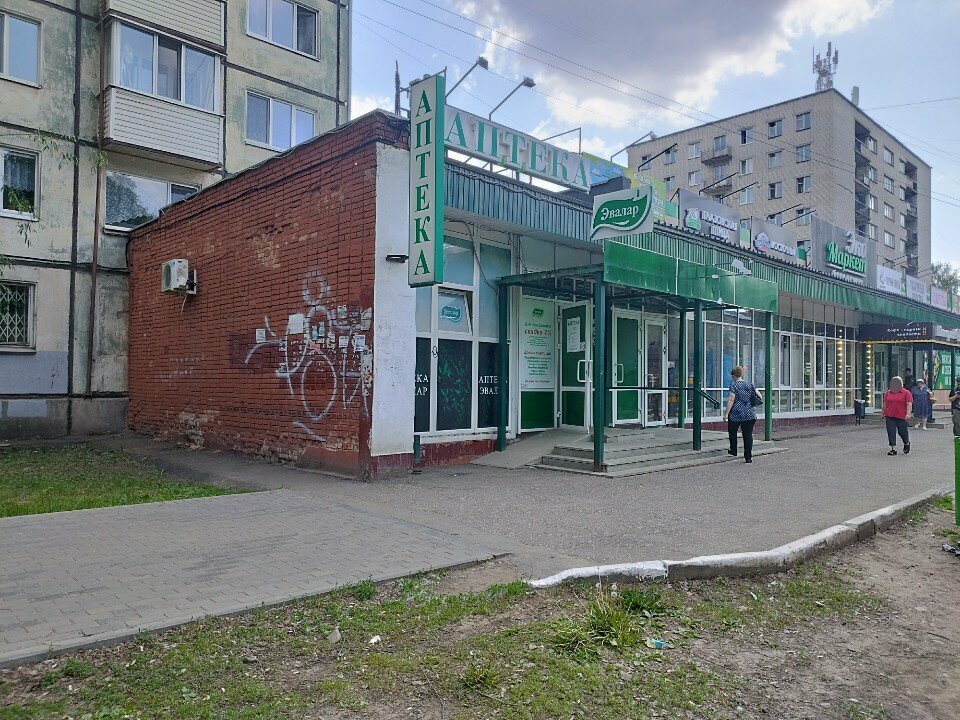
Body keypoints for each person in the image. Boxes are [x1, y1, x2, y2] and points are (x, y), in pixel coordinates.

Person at [723, 365, 761, 463]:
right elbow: (759, 395)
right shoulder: (750, 384)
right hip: (749, 413)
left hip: (736, 413)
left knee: (732, 432)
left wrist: (726, 413)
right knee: (748, 435)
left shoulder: (734, 385)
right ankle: (748, 457)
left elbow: (731, 399)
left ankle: (733, 450)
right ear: (741, 374)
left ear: (733, 375)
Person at [882, 376, 913, 456]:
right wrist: (882, 413)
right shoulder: (888, 393)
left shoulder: (906, 392)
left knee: (902, 432)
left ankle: (906, 443)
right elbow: (885, 403)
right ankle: (893, 449)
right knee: (891, 432)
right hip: (890, 415)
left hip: (901, 416)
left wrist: (908, 414)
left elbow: (909, 404)